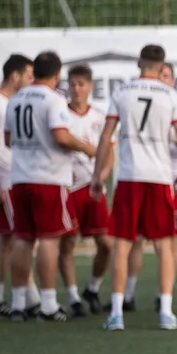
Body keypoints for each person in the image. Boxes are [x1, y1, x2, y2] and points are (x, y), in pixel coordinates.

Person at [91, 44, 177, 331]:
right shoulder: (171, 95)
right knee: (163, 246)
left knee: (122, 244)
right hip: (159, 176)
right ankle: (166, 313)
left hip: (129, 176)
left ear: (138, 63)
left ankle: (117, 314)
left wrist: (98, 175)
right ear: (162, 67)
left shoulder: (122, 92)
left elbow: (106, 135)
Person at [5, 51, 96, 322]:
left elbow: (8, 140)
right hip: (48, 178)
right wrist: (85, 147)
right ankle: (47, 304)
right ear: (57, 76)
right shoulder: (54, 100)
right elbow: (60, 136)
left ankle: (19, 304)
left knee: (22, 239)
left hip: (20, 177)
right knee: (48, 239)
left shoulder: (16, 98)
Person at [0, 53, 34, 317]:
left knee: (6, 238)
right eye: (29, 75)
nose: (32, 80)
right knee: (18, 238)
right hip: (5, 180)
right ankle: (27, 300)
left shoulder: (15, 102)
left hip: (16, 179)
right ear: (16, 75)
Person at [65, 65, 112, 316]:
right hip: (68, 188)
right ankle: (73, 298)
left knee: (106, 243)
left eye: (81, 84)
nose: (77, 89)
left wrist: (100, 176)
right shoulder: (61, 114)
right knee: (68, 242)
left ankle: (92, 289)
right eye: (72, 84)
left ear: (91, 86)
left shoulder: (101, 116)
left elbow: (109, 153)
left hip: (93, 188)